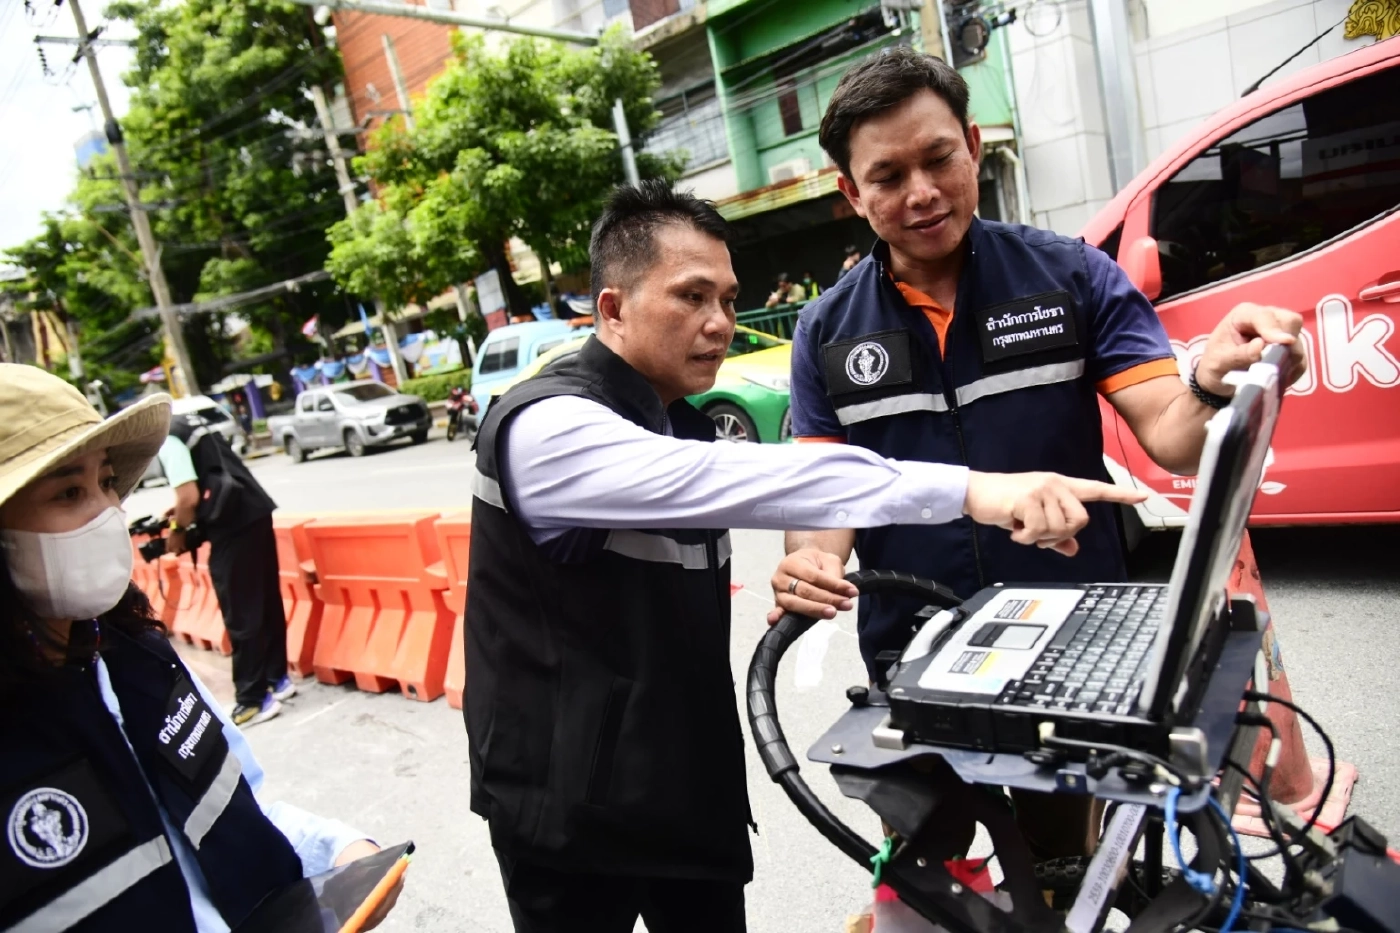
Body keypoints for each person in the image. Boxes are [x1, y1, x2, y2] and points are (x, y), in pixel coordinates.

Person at [464, 180, 1146, 933]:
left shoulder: (678, 420)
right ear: (613, 308)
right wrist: (974, 490)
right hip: (565, 810)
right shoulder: (550, 427)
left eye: (727, 299)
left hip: (683, 792)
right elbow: (754, 476)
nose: (719, 322)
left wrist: (813, 559)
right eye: (691, 297)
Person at [769, 48, 1307, 865]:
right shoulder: (826, 332)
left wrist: (1211, 378)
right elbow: (825, 502)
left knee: (1063, 873)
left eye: (938, 157)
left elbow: (1171, 429)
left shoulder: (1070, 277)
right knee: (928, 876)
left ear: (974, 145)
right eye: (887, 176)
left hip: (1071, 648)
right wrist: (805, 564)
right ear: (851, 192)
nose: (920, 192)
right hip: (911, 659)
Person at [0, 363, 402, 932]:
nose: (108, 513)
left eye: (107, 482)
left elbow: (243, 812)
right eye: (68, 492)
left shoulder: (141, 660)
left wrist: (337, 852)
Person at [157, 405, 292, 727]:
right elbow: (210, 477)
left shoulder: (167, 439)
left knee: (241, 611)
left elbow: (188, 497)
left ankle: (253, 700)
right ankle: (278, 679)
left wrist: (177, 532)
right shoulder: (189, 423)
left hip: (231, 525)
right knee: (266, 601)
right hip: (253, 510)